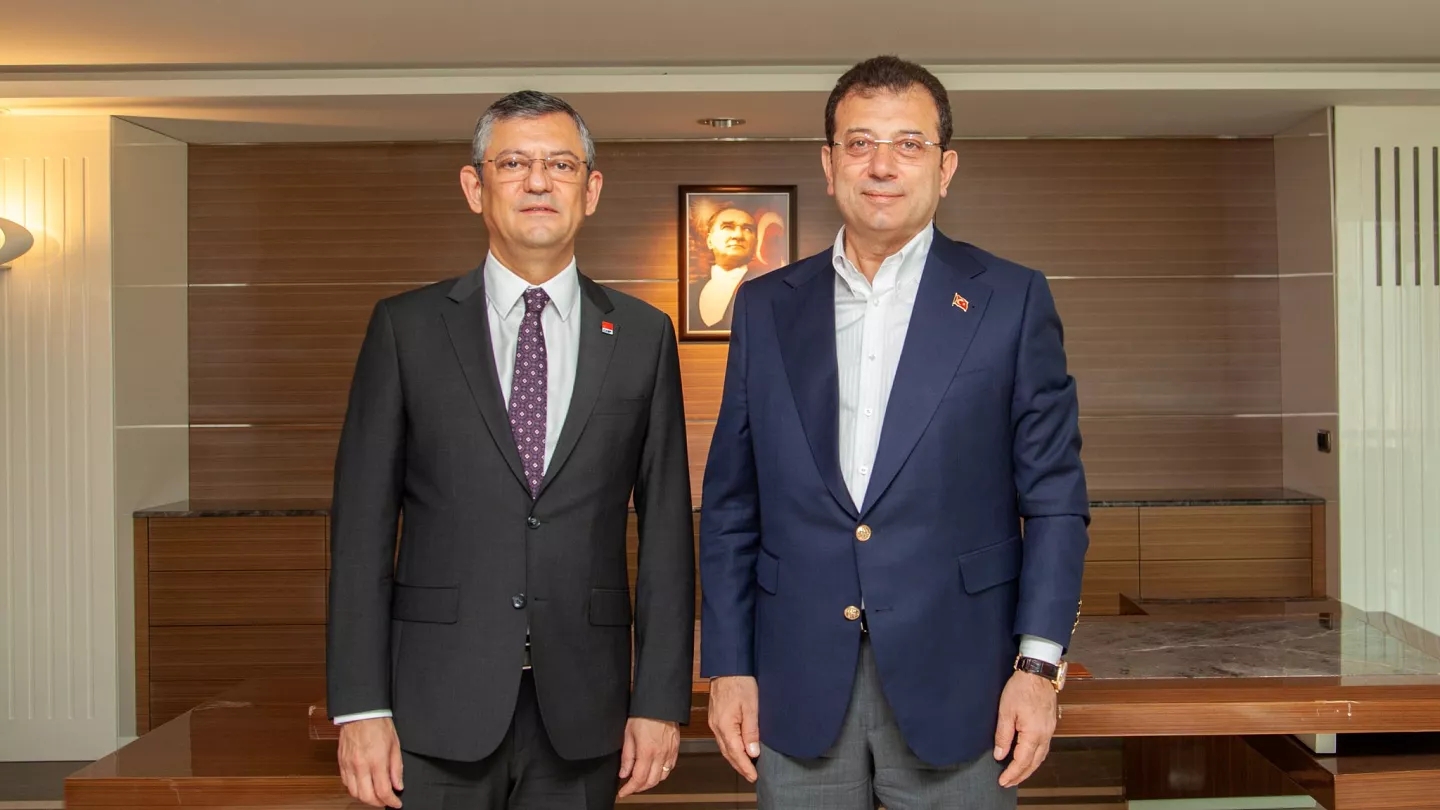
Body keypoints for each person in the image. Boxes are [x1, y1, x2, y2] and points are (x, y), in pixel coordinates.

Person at [698, 56, 1089, 809]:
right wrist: (727, 664)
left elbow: (1055, 503)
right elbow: (731, 506)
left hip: (966, 685)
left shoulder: (1010, 300)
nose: (882, 166)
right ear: (829, 164)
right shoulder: (766, 306)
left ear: (945, 168)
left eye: (909, 144)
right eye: (860, 144)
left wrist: (1038, 668)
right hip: (794, 683)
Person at [326, 90, 695, 810]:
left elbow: (666, 537)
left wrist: (658, 700)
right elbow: (361, 530)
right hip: (433, 704)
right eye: (514, 163)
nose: (538, 182)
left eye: (561, 164)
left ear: (591, 190)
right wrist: (360, 706)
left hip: (585, 708)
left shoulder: (643, 336)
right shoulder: (406, 329)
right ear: (475, 187)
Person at [694, 204, 758, 328]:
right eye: (727, 227)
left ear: (755, 243)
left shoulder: (765, 289)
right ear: (709, 240)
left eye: (747, 229)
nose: (738, 236)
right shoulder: (691, 291)